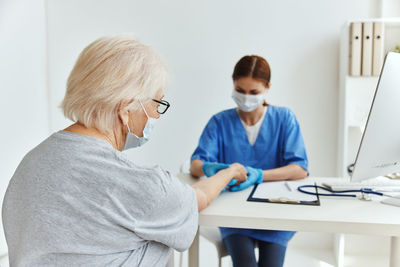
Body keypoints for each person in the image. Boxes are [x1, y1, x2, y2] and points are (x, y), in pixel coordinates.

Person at [2, 35, 248, 267]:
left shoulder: (30, 164)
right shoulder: (144, 187)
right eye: (157, 103)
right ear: (125, 109)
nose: (156, 115)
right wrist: (231, 171)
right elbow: (197, 199)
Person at [190, 55, 308, 267]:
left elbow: (300, 169)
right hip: (233, 216)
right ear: (233, 84)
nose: (246, 98)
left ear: (267, 87)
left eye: (253, 92)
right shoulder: (220, 122)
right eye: (240, 91)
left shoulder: (284, 119)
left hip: (275, 216)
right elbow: (195, 165)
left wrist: (260, 175)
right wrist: (212, 168)